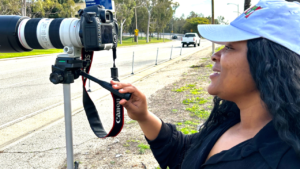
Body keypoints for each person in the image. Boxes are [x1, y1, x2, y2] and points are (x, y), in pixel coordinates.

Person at [111, 0, 300, 168]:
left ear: (268, 63)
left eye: (229, 47)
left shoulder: (282, 160)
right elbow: (185, 154)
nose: (214, 55)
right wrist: (143, 116)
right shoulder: (231, 120)